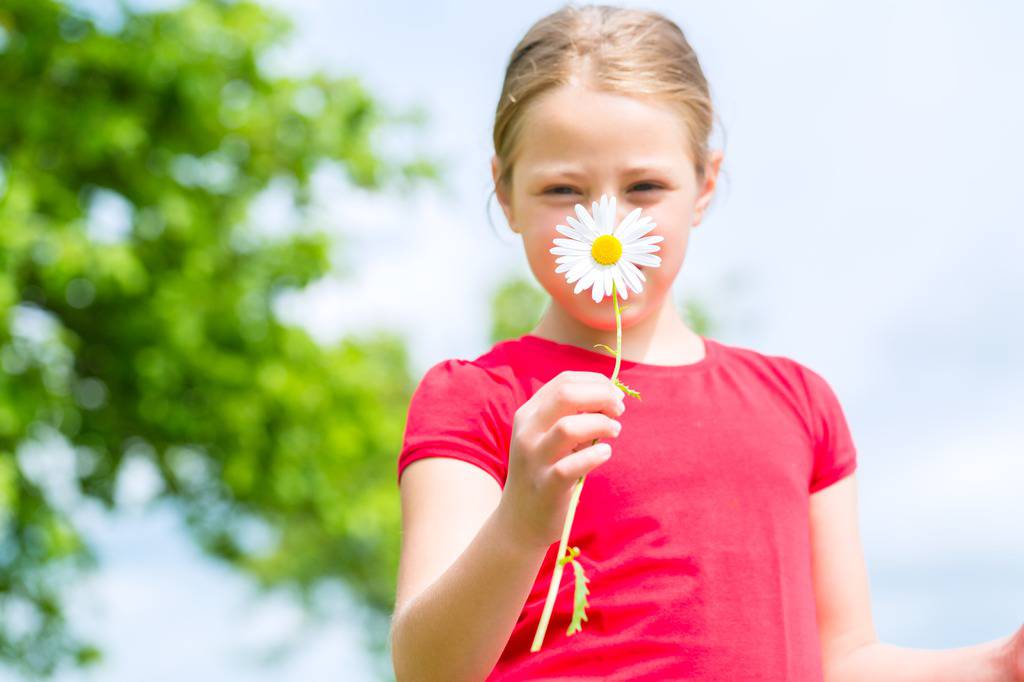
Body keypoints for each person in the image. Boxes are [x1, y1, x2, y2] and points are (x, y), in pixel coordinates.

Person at [388, 4, 1024, 681]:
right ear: (505, 192)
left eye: (645, 187)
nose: (608, 221)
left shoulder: (796, 403)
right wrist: (520, 523)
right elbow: (428, 669)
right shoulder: (479, 399)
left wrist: (999, 664)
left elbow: (842, 660)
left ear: (705, 184)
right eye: (563, 189)